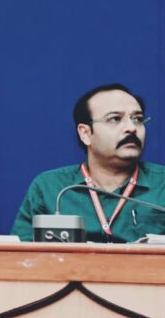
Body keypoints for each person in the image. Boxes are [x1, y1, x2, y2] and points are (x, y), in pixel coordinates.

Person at [12, 83, 165, 242]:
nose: (131, 128)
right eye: (114, 119)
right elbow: (20, 253)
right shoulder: (49, 187)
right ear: (85, 133)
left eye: (137, 119)